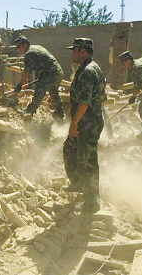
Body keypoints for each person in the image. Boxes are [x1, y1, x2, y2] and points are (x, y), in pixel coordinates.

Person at [63, 38, 106, 213]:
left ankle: (92, 201)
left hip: (86, 123)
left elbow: (84, 102)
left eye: (75, 50)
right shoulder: (91, 68)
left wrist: (74, 123)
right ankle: (79, 183)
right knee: (70, 149)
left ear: (84, 51)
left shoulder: (88, 71)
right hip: (88, 121)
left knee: (88, 161)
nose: (72, 53)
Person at [13, 35, 64, 120]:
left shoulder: (29, 54)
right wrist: (41, 76)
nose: (19, 49)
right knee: (53, 92)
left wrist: (20, 85)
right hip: (58, 71)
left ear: (25, 45)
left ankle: (30, 111)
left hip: (51, 72)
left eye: (19, 47)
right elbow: (46, 61)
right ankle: (60, 115)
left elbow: (26, 73)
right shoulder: (36, 47)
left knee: (40, 88)